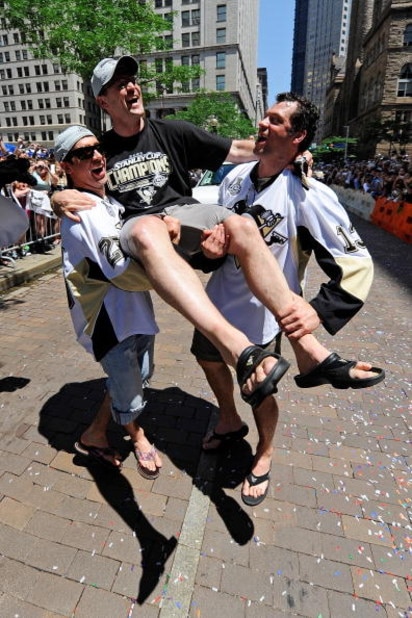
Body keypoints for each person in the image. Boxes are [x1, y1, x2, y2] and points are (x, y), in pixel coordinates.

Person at [52, 56, 384, 411]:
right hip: (141, 231)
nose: (131, 87)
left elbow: (241, 149)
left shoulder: (173, 131)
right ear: (103, 101)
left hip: (184, 216)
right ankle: (240, 351)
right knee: (150, 228)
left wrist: (296, 152)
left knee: (241, 225)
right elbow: (71, 170)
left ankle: (311, 352)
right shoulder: (100, 149)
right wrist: (55, 194)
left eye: (132, 79)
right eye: (119, 84)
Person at [191, 92, 385, 506]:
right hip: (215, 304)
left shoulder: (308, 192)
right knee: (207, 358)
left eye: (275, 121)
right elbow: (215, 241)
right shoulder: (233, 179)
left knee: (260, 391)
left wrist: (315, 312)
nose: (263, 124)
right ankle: (227, 420)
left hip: (263, 316)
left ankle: (265, 451)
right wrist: (206, 254)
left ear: (299, 138)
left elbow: (355, 264)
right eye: (264, 117)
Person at [55, 125, 166, 478]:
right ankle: (138, 437)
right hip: (109, 322)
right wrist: (173, 279)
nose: (97, 156)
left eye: (97, 149)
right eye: (83, 154)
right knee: (131, 396)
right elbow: (120, 269)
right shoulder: (80, 212)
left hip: (135, 312)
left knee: (140, 376)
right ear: (67, 167)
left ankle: (94, 432)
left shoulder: (111, 201)